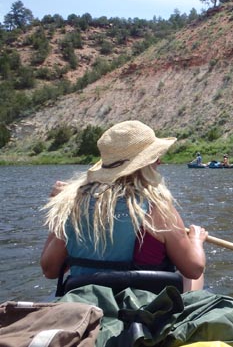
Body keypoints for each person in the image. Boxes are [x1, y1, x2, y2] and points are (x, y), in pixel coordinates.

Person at [40, 120, 208, 293]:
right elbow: (194, 269)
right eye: (155, 157)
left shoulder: (72, 205)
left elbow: (50, 270)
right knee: (191, 268)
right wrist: (195, 240)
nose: (160, 162)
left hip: (89, 307)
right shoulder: (157, 208)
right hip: (146, 311)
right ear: (143, 165)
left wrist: (60, 210)